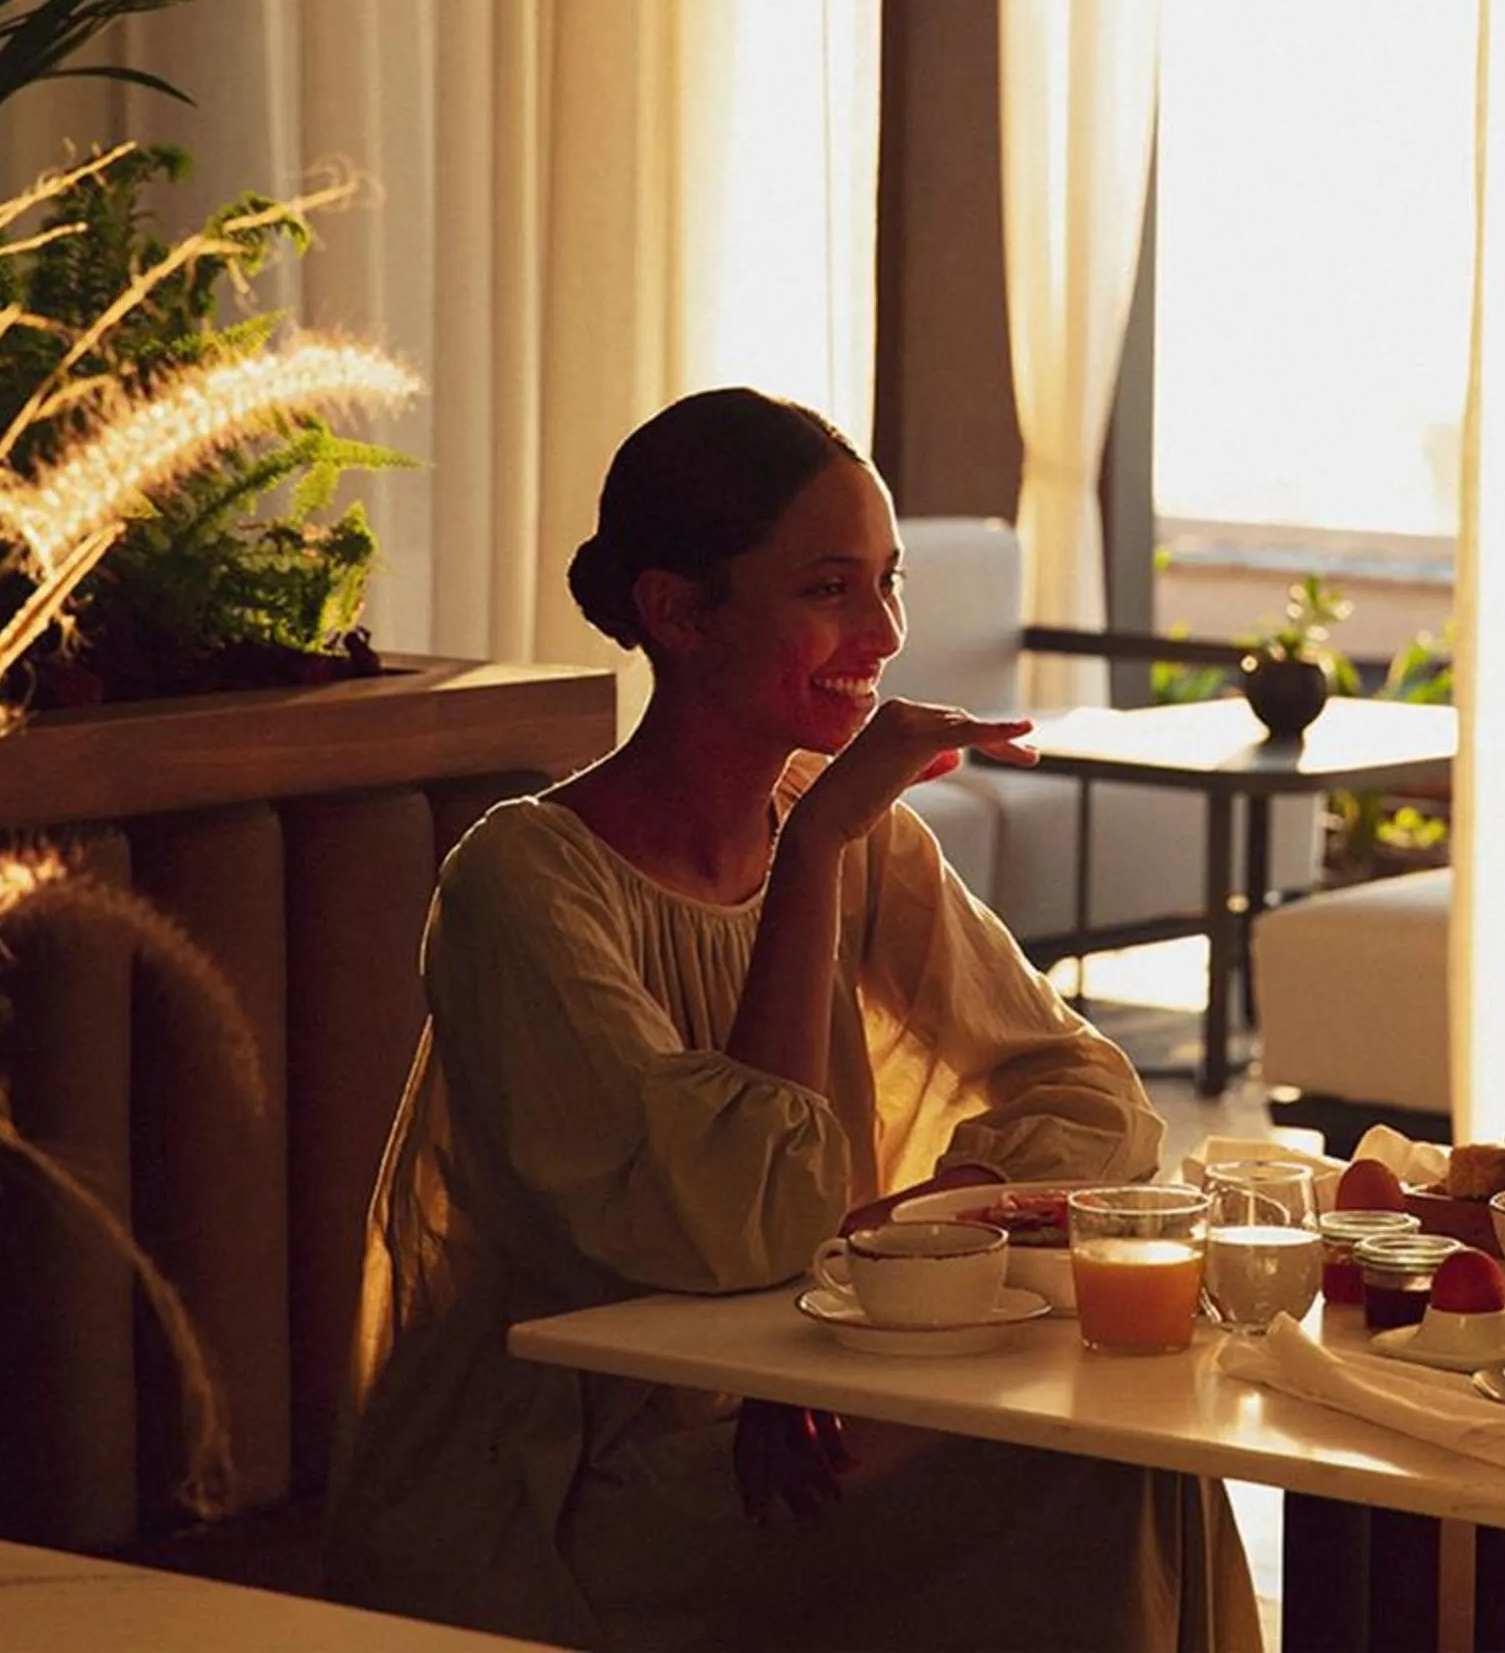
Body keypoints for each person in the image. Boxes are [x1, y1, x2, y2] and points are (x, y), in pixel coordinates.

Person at [321, 387, 1257, 1650]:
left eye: (890, 580)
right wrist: (816, 842)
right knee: (1083, 1469)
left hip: (800, 1388)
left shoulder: (867, 843)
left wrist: (905, 1231)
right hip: (564, 1467)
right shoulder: (523, 880)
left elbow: (1091, 1096)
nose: (882, 629)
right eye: (830, 585)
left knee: (1140, 1435)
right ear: (678, 611)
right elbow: (731, 1224)